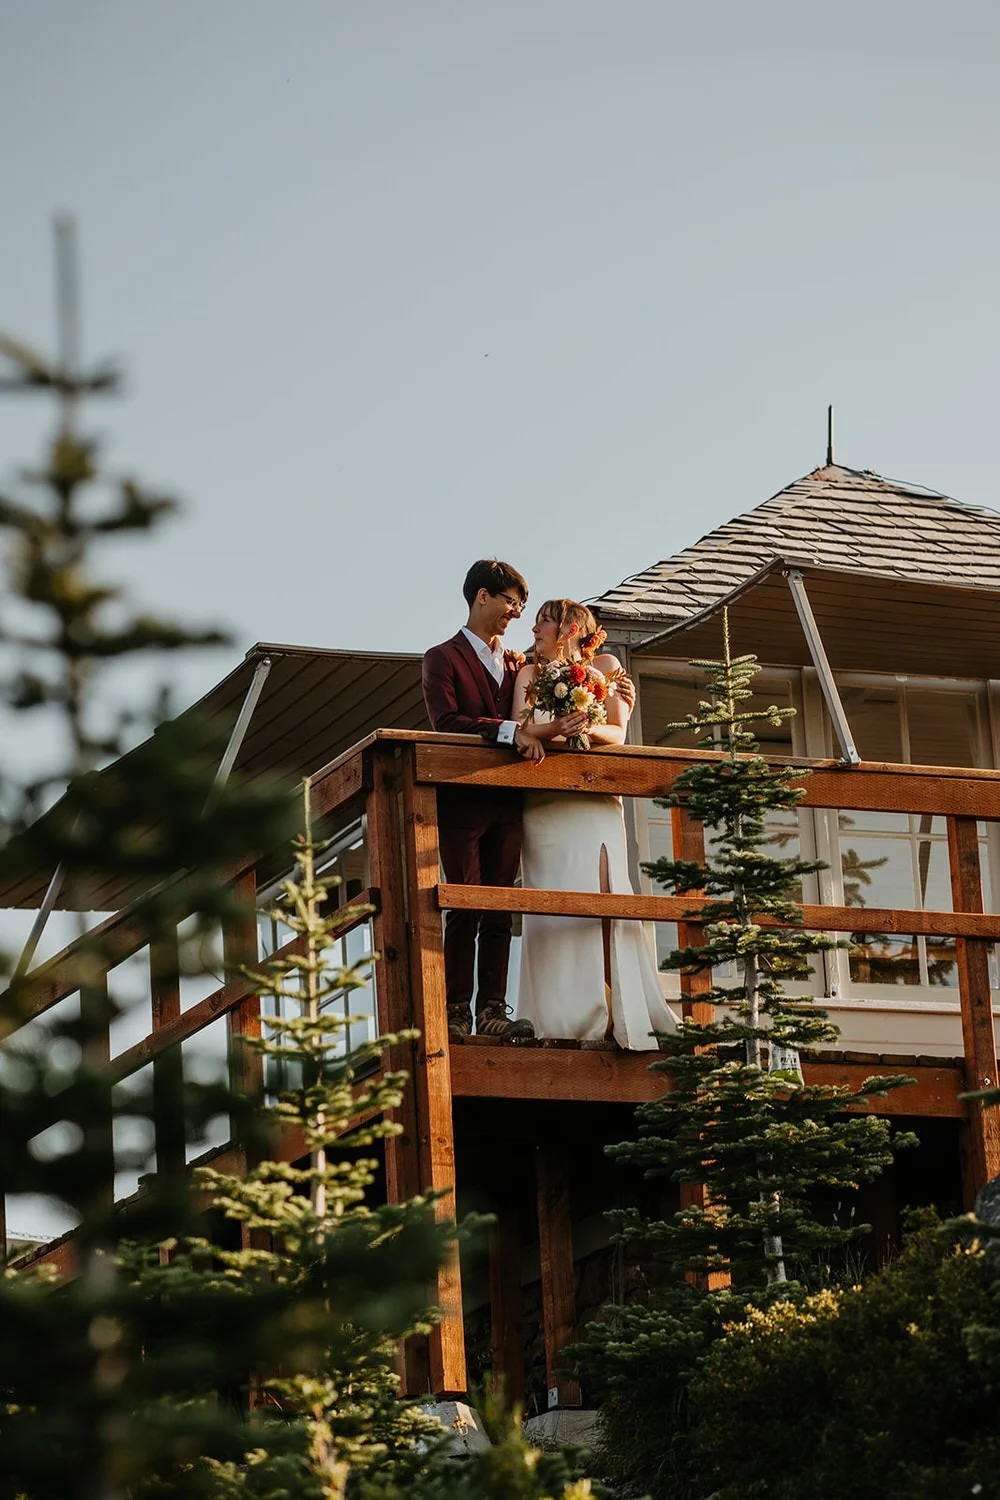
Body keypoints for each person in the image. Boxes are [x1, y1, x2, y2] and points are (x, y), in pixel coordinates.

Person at [512, 598, 679, 1049]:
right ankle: (562, 1017)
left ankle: (619, 1009)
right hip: (545, 807)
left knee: (606, 895)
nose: (535, 629)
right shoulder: (527, 676)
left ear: (569, 629)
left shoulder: (604, 666)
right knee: (554, 901)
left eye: (544, 621)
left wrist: (577, 730)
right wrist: (555, 728)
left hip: (595, 801)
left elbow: (617, 734)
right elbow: (520, 729)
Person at [422, 559, 541, 1042]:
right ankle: (455, 1009)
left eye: (521, 604)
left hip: (508, 802)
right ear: (482, 597)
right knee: (464, 903)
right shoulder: (441, 658)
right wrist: (510, 731)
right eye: (510, 601)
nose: (515, 612)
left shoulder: (519, 664)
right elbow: (445, 722)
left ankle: (492, 1008)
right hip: (463, 802)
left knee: (499, 907)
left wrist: (608, 682)